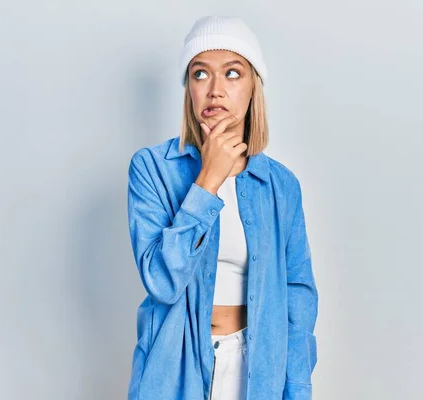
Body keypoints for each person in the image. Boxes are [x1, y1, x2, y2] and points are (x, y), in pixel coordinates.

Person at [126, 16, 318, 400]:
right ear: (189, 90)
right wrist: (207, 181)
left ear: (252, 88)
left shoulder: (280, 186)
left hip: (258, 372)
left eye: (232, 73)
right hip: (173, 370)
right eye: (200, 74)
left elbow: (299, 299)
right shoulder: (151, 169)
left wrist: (297, 389)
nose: (215, 90)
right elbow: (162, 281)